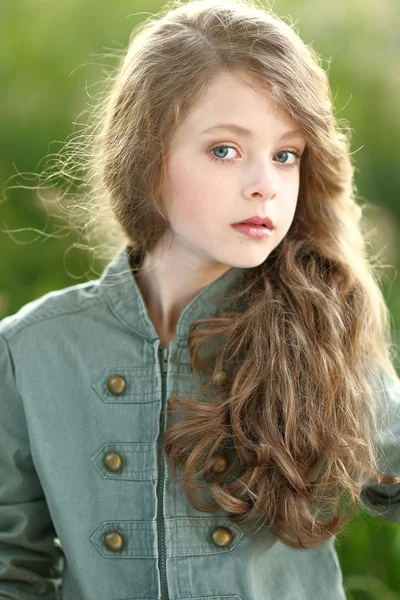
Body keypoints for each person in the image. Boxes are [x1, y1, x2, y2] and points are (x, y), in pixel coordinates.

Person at [1, 0, 400, 598]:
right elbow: (14, 567)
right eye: (225, 150)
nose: (266, 182)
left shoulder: (322, 330)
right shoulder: (32, 349)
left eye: (285, 154)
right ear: (145, 159)